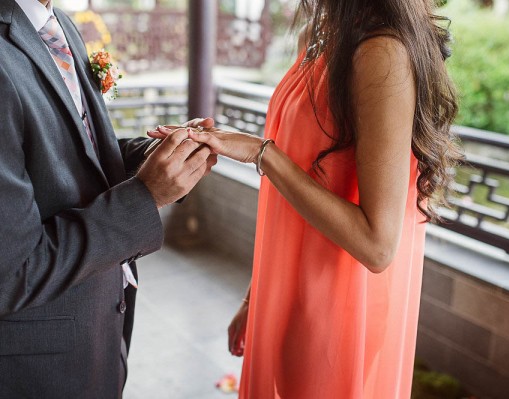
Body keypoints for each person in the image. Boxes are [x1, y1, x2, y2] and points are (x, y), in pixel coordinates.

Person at [155, 0, 461, 396]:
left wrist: (261, 153)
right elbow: (298, 187)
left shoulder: (381, 53)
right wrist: (257, 295)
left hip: (334, 303)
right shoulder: (320, 35)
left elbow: (377, 245)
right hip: (288, 285)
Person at [0, 1, 215, 397]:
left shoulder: (59, 23)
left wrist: (149, 158)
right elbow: (13, 273)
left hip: (98, 330)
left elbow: (72, 152)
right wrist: (145, 196)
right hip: (39, 367)